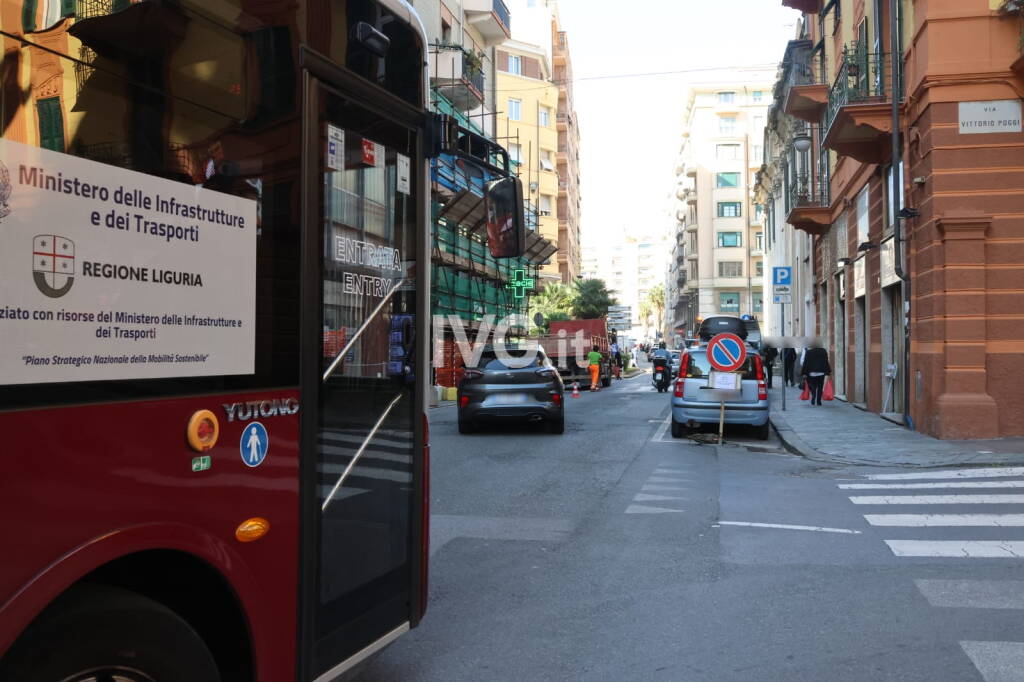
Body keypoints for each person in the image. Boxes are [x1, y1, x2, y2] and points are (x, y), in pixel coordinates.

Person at [800, 341, 831, 406]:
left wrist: (804, 372)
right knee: (820, 387)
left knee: (813, 386)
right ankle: (819, 401)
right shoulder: (823, 351)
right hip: (821, 372)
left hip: (812, 373)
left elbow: (806, 363)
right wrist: (828, 371)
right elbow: (826, 361)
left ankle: (813, 397)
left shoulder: (809, 352)